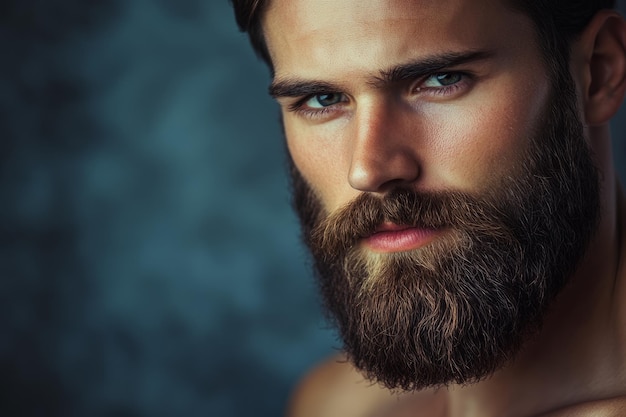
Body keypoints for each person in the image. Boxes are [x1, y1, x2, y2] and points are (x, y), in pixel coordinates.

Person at [231, 0, 626, 415]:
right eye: (322, 98)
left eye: (442, 79)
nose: (368, 171)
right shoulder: (335, 404)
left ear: (599, 72)